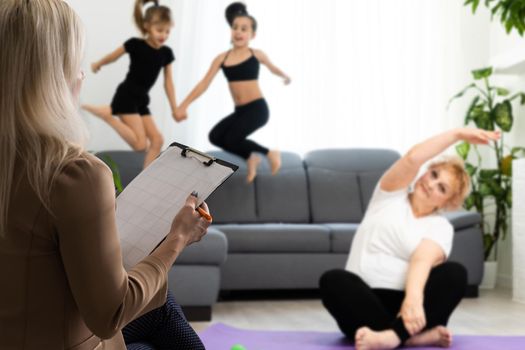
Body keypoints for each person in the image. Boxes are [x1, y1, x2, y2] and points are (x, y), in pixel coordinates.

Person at [0, 1, 207, 349]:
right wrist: (177, 239)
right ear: (54, 73)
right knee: (163, 309)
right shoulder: (74, 174)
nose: (82, 75)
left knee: (161, 305)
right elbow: (109, 313)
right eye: (77, 63)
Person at [319, 128, 500, 350]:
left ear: (445, 203)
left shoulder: (441, 226)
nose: (431, 184)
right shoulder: (389, 195)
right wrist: (457, 135)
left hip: (409, 308)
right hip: (364, 302)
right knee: (333, 280)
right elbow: (413, 158)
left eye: (441, 188)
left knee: (454, 273)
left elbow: (421, 260)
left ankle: (391, 338)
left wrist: (412, 301)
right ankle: (412, 338)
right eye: (433, 175)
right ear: (425, 172)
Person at [176, 2, 291, 183]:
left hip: (258, 109)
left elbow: (272, 67)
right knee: (216, 136)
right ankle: (250, 157)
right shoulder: (223, 58)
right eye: (235, 27)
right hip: (240, 112)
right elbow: (204, 83)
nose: (238, 31)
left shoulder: (256, 54)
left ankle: (269, 152)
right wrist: (184, 105)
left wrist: (285, 76)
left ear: (252, 34)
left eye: (244, 28)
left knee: (231, 137)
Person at [82, 0, 182, 168]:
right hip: (127, 95)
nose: (163, 35)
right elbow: (113, 56)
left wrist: (174, 108)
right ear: (147, 26)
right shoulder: (135, 44)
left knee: (157, 140)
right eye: (159, 30)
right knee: (140, 145)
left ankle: (146, 178)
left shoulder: (166, 53)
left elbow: (169, 82)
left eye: (167, 31)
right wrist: (99, 63)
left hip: (142, 99)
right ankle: (107, 115)